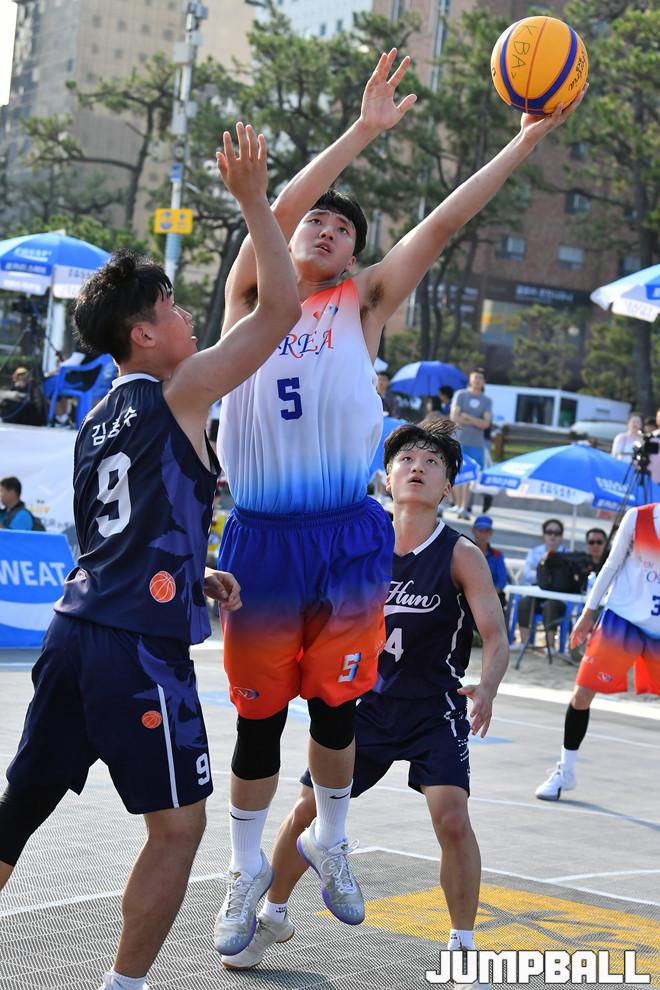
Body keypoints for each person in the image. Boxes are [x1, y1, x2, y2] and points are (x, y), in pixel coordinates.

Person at [212, 49, 583, 959]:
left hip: (345, 530)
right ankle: (244, 869)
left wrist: (525, 142)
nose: (326, 229)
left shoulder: (366, 302)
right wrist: (362, 130)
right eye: (316, 220)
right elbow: (275, 209)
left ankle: (332, 843)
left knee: (336, 708)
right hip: (260, 531)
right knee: (259, 719)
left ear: (356, 254)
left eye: (344, 228)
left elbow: (446, 223)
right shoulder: (251, 294)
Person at [0, 123, 301, 990]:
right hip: (134, 647)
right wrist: (256, 204)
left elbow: (106, 528)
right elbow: (279, 313)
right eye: (171, 308)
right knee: (178, 829)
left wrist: (186, 568)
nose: (186, 317)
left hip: (74, 631)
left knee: (17, 812)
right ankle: (122, 987)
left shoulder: (96, 414)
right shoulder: (182, 389)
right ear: (142, 335)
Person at [219, 419, 508, 983]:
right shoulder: (358, 538)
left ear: (448, 487)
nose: (418, 467)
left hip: (433, 709)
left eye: (432, 462)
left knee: (452, 818)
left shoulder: (459, 553)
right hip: (366, 706)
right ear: (386, 476)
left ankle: (462, 944)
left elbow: (495, 635)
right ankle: (272, 915)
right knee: (307, 812)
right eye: (407, 459)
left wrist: (489, 686)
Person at [535, 503, 660, 801]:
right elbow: (611, 565)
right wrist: (588, 613)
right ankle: (565, 771)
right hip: (622, 619)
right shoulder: (638, 517)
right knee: (582, 694)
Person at [516, 519, 568, 649]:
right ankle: (524, 643)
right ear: (543, 535)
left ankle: (550, 647)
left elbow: (567, 580)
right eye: (549, 532)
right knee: (523, 603)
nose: (553, 536)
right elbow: (527, 575)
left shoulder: (567, 554)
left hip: (558, 597)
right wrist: (552, 574)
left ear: (561, 536)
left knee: (550, 606)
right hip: (537, 593)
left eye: (557, 533)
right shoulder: (534, 552)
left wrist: (539, 570)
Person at [450, 369, 492, 519]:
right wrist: (476, 421)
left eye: (480, 378)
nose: (477, 381)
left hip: (476, 443)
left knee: (470, 475)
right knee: (457, 472)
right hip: (459, 440)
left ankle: (465, 506)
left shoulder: (486, 400)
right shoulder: (461, 395)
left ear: (484, 382)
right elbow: (455, 417)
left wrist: (467, 416)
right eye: (475, 377)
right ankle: (457, 504)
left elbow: (486, 423)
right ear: (470, 379)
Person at [471, 514, 508, 606]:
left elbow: (502, 579)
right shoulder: (465, 552)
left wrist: (490, 595)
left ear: (491, 533)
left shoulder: (497, 555)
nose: (483, 534)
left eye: (487, 531)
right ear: (473, 530)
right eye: (480, 530)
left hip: (492, 597)